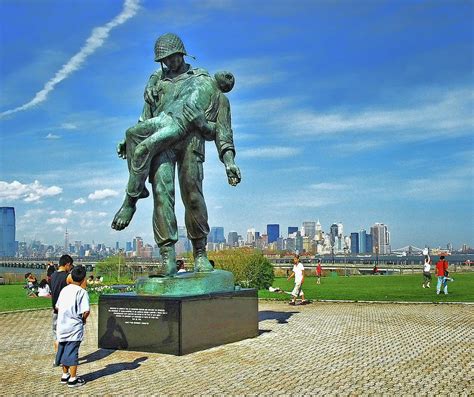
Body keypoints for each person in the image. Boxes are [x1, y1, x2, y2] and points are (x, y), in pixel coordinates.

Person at [112, 33, 241, 275]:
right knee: (162, 194)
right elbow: (145, 118)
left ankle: (200, 253)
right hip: (163, 143)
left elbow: (222, 132)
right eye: (165, 60)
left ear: (182, 54)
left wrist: (228, 160)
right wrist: (127, 142)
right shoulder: (157, 83)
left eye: (172, 58)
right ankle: (167, 257)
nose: (170, 63)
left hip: (191, 143)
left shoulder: (206, 84)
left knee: (192, 196)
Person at [55, 265, 90, 388]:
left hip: (62, 326)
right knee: (73, 352)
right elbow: (86, 311)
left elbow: (57, 307)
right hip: (74, 327)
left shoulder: (64, 290)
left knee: (63, 349)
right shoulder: (82, 292)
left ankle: (65, 375)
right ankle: (73, 379)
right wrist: (83, 320)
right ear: (83, 279)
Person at [51, 254, 74, 353]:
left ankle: (57, 357)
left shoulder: (53, 275)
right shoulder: (68, 277)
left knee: (57, 334)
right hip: (66, 310)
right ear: (67, 264)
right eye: (71, 266)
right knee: (68, 335)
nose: (71, 268)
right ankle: (66, 356)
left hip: (55, 308)